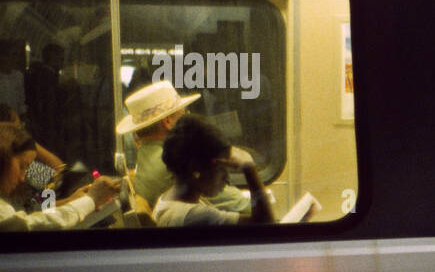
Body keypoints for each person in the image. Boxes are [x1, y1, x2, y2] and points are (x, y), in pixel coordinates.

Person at [118, 80, 250, 212]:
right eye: (184, 112)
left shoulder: (144, 156)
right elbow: (241, 205)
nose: (188, 116)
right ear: (168, 122)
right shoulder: (175, 163)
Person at [155, 115, 274, 226]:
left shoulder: (165, 199)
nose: (227, 179)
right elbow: (265, 224)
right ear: (195, 167)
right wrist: (249, 168)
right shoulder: (196, 215)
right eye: (222, 169)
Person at [0, 123, 120, 231]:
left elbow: (34, 208)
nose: (22, 178)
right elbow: (31, 223)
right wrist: (89, 200)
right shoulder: (23, 167)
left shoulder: (28, 168)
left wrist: (69, 201)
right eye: (18, 127)